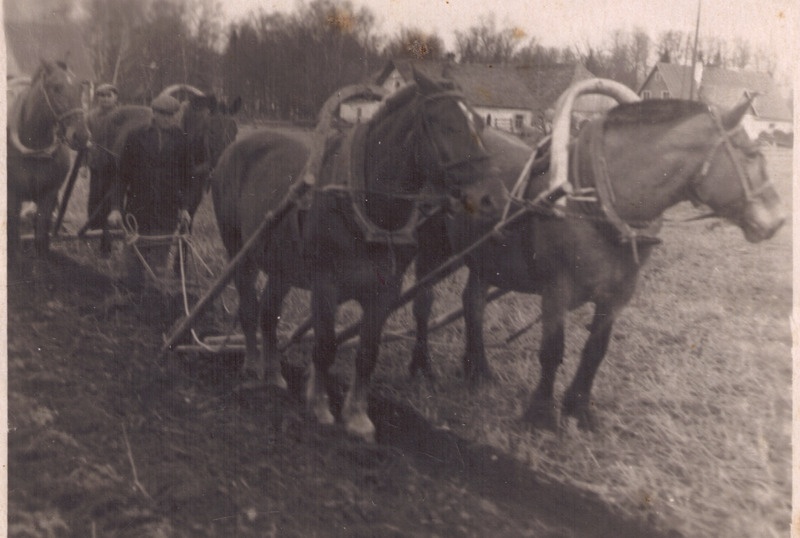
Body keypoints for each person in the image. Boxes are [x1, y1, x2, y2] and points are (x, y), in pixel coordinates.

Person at [117, 94, 197, 295]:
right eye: (164, 115)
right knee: (134, 260)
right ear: (154, 114)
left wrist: (185, 208)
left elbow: (189, 179)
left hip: (166, 209)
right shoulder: (136, 136)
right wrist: (115, 209)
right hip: (138, 208)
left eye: (172, 115)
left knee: (158, 262)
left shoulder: (182, 140)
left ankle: (152, 303)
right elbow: (121, 176)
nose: (169, 119)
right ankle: (131, 297)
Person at [86, 83, 120, 235]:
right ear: (97, 98)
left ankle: (113, 228)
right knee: (95, 194)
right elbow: (85, 141)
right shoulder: (90, 116)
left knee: (114, 195)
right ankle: (94, 226)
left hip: (116, 163)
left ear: (115, 97)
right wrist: (83, 165)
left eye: (109, 96)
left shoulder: (121, 114)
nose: (105, 99)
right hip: (96, 162)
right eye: (102, 96)